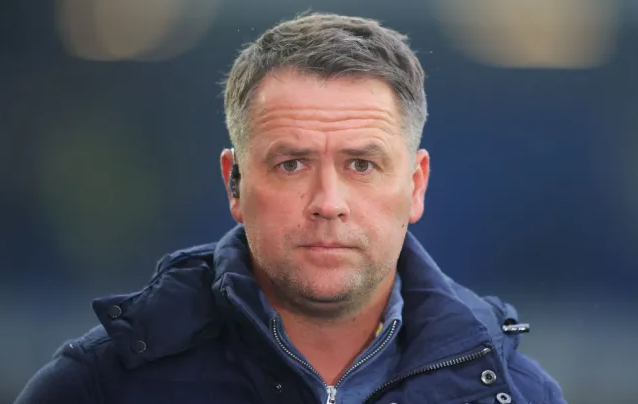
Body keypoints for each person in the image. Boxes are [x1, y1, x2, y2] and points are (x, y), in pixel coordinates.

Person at [15, 12, 567, 404]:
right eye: (292, 164)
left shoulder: (519, 394)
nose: (328, 203)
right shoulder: (96, 387)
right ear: (234, 183)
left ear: (416, 184)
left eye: (361, 165)